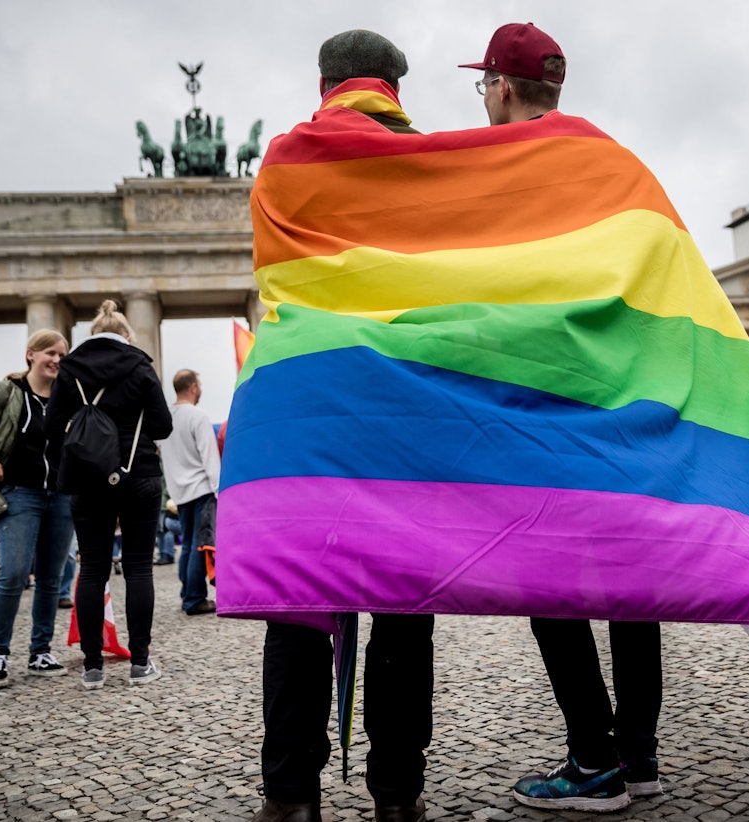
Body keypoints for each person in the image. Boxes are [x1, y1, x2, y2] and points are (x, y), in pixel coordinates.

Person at [460, 22, 662, 813]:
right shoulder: (616, 164)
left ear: (504, 88)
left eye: (482, 85)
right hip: (621, 411)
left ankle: (593, 759)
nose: (482, 98)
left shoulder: (498, 171)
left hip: (542, 414)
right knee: (631, 587)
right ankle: (639, 756)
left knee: (549, 584)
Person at [248, 31, 434, 822]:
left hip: (306, 407)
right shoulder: (437, 160)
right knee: (402, 614)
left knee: (299, 609)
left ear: (323, 83)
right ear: (395, 85)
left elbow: (273, 274)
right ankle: (397, 794)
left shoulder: (285, 161)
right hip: (406, 410)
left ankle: (292, 796)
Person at [45, 300, 173, 690]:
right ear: (127, 335)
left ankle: (92, 667)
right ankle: (140, 663)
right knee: (137, 568)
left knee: (93, 570)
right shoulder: (140, 366)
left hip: (88, 478)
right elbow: (163, 426)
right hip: (139, 476)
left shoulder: (70, 370)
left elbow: (51, 427)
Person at [0, 328, 74, 688]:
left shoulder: (68, 396)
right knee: (14, 575)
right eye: (50, 353)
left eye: (62, 356)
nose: (56, 360)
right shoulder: (9, 392)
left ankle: (40, 651)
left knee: (52, 579)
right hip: (19, 494)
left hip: (62, 496)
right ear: (31, 354)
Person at [156, 369, 219, 616]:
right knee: (200, 544)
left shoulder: (166, 417)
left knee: (189, 543)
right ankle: (194, 598)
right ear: (193, 387)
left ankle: (187, 594)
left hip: (179, 491)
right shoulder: (198, 416)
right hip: (202, 488)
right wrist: (218, 489)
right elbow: (209, 456)